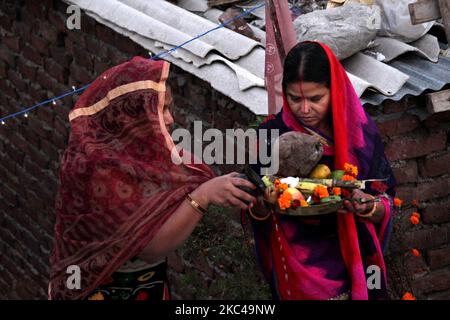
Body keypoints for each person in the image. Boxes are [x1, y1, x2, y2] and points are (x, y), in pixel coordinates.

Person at [48, 57, 257, 300]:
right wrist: (202, 195)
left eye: (169, 107)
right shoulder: (97, 168)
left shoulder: (144, 153)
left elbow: (188, 173)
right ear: (130, 115)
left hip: (149, 286)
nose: (170, 119)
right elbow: (151, 248)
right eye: (160, 109)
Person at [247, 41, 397, 300]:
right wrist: (264, 202)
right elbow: (253, 207)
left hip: (357, 259)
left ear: (335, 90)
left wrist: (370, 207)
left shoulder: (360, 137)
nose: (304, 110)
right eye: (295, 99)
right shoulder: (270, 137)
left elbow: (385, 197)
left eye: (316, 99)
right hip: (299, 265)